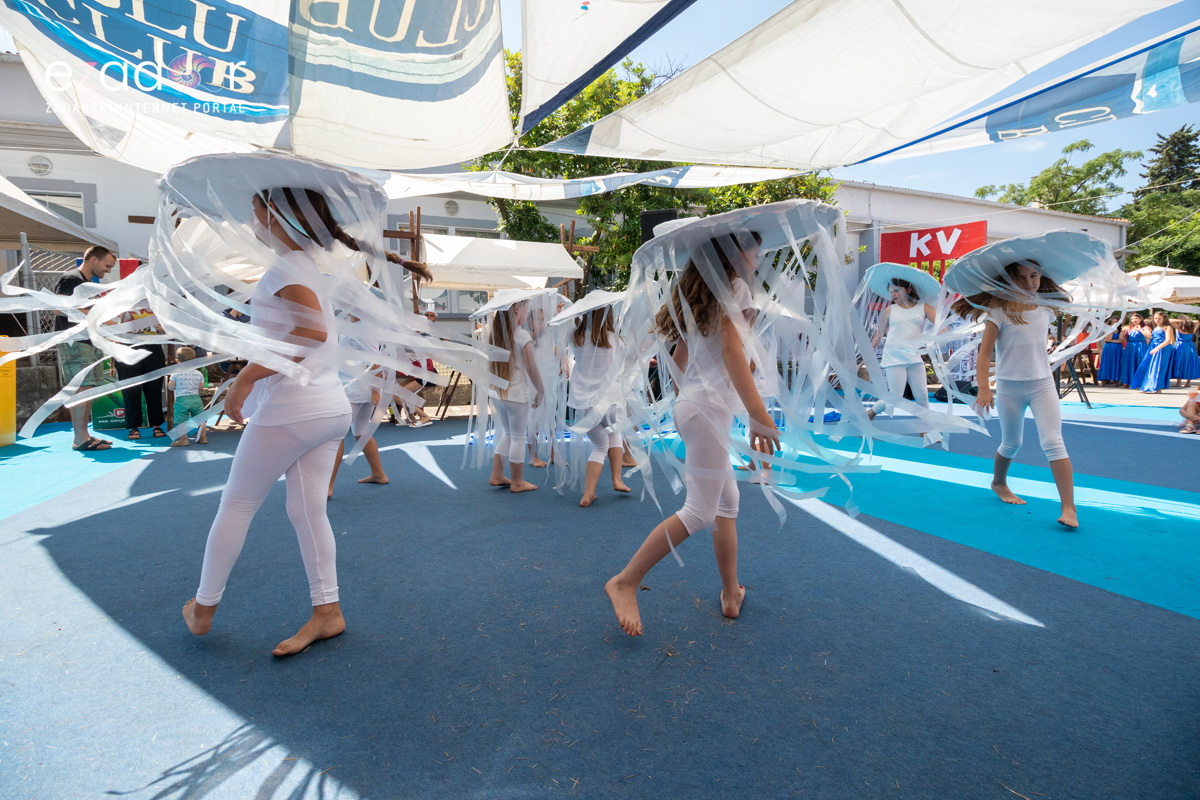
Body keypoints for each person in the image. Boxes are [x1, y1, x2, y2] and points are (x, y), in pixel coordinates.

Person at [182, 187, 358, 657]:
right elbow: (309, 330)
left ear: (277, 214)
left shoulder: (287, 268)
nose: (251, 216)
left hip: (293, 409)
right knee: (306, 511)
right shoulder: (303, 265)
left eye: (256, 207)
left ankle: (203, 607)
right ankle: (328, 612)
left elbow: (313, 331)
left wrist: (245, 377)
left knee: (237, 504)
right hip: (326, 408)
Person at [606, 230, 780, 636]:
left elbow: (681, 357)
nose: (757, 260)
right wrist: (758, 414)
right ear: (736, 255)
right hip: (705, 411)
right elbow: (732, 353)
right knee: (700, 511)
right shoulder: (736, 288)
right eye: (755, 252)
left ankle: (730, 593)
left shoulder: (698, 295)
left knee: (726, 505)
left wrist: (693, 404)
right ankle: (625, 580)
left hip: (696, 408)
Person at [951, 260, 1078, 528]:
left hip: (1042, 384)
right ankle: (998, 482)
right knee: (1012, 443)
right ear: (1010, 281)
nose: (1031, 282)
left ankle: (1069, 507)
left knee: (1054, 441)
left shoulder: (1045, 308)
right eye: (1023, 278)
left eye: (1034, 275)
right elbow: (984, 354)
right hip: (1009, 387)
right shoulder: (998, 311)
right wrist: (984, 388)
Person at [54, 245, 116, 451]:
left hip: (88, 341)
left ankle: (84, 435)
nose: (108, 271)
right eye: (107, 266)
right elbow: (59, 308)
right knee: (81, 387)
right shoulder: (72, 279)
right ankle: (79, 438)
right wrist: (101, 319)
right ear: (93, 260)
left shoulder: (86, 283)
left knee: (88, 387)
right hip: (75, 342)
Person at [569, 305, 630, 507]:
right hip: (610, 402)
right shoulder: (616, 340)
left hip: (585, 404)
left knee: (599, 446)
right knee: (615, 434)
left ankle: (589, 492)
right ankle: (617, 479)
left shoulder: (576, 339)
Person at [486, 301, 544, 492]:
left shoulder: (495, 335)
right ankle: (517, 482)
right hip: (516, 394)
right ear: (517, 309)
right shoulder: (521, 335)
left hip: (498, 393)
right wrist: (540, 390)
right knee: (518, 436)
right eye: (527, 308)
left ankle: (496, 475)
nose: (528, 313)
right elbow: (531, 368)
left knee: (509, 434)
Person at [867, 276, 936, 423]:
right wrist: (868, 351)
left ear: (909, 290)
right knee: (895, 397)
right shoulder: (890, 310)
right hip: (894, 357)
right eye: (891, 291)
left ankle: (926, 430)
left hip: (914, 357)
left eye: (897, 290)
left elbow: (942, 326)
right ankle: (871, 412)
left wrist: (930, 340)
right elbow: (879, 333)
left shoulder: (923, 307)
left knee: (922, 396)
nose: (893, 294)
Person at [167, 346, 208, 446]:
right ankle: (202, 437)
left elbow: (171, 387)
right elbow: (201, 387)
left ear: (177, 361)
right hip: (196, 399)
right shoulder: (198, 373)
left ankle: (183, 439)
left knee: (181, 421)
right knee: (200, 419)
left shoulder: (176, 373)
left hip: (182, 400)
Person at [1130, 310, 1175, 393]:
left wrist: (1157, 348)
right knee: (1147, 366)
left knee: (1159, 367)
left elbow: (1168, 340)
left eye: (1159, 318)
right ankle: (1145, 386)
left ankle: (1158, 388)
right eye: (1155, 318)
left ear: (1164, 318)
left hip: (1163, 348)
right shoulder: (1155, 328)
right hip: (1153, 346)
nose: (1157, 320)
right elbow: (1150, 337)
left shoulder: (1167, 327)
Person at [1118, 313, 1151, 387]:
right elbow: (1123, 339)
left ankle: (1139, 382)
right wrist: (1123, 332)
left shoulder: (1145, 327)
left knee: (1139, 363)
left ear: (1140, 319)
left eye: (1136, 318)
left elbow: (1149, 335)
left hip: (1140, 346)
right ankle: (1128, 381)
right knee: (1129, 363)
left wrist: (1140, 329)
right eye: (1132, 319)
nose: (1134, 320)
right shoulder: (1129, 328)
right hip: (1130, 347)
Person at [1170, 317, 1199, 388]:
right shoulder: (1192, 328)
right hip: (1190, 346)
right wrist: (1189, 321)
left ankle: (1179, 382)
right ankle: (1188, 382)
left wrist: (1182, 321)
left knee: (1179, 363)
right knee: (1190, 363)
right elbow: (1197, 321)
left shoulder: (1179, 327)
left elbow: (1170, 320)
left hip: (1180, 346)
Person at [1095, 316, 1124, 385]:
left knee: (1117, 363)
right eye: (1112, 322)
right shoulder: (1107, 330)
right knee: (1107, 362)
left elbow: (1121, 340)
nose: (1114, 323)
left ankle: (1116, 379)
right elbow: (1108, 339)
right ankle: (1104, 379)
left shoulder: (1121, 330)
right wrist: (1111, 330)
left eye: (1116, 322)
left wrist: (1111, 340)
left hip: (1117, 349)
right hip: (1108, 348)